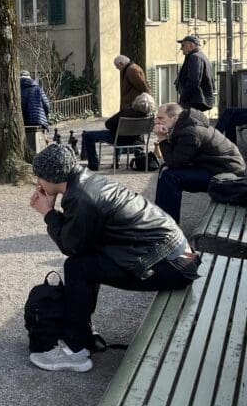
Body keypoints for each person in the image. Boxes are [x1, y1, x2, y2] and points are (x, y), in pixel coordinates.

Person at [28, 144, 200, 372]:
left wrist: (48, 213)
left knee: (78, 267)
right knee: (86, 262)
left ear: (53, 175)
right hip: (178, 254)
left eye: (40, 176)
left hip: (168, 264)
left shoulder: (82, 198)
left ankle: (74, 350)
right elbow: (81, 240)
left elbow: (71, 246)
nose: (38, 182)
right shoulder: (87, 182)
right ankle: (83, 332)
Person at [154, 102, 245, 223]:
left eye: (161, 118)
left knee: (170, 176)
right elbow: (177, 158)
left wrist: (162, 139)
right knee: (167, 171)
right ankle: (161, 220)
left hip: (226, 173)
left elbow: (174, 162)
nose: (156, 121)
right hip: (216, 166)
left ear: (175, 117)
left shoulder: (189, 132)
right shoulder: (186, 124)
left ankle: (166, 226)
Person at [80, 93, 156, 171]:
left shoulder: (125, 112)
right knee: (119, 134)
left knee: (87, 135)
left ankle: (93, 164)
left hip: (117, 139)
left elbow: (108, 124)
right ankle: (116, 162)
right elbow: (150, 130)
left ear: (136, 102)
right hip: (136, 141)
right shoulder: (148, 118)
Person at [174, 35, 215, 111]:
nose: (181, 48)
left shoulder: (194, 57)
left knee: (189, 122)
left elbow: (193, 81)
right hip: (198, 100)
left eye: (183, 45)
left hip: (194, 101)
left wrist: (183, 98)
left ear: (191, 45)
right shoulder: (201, 56)